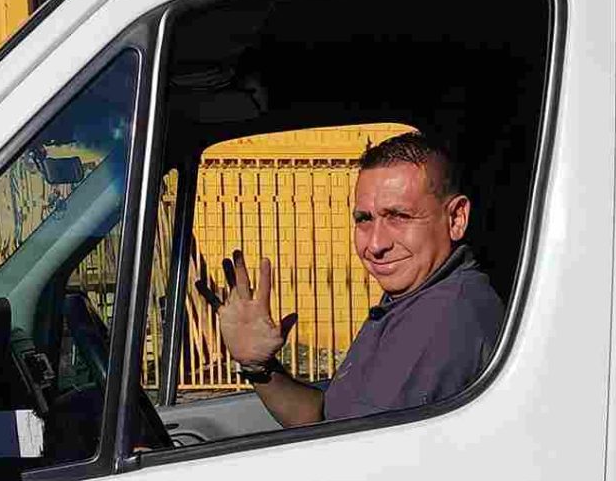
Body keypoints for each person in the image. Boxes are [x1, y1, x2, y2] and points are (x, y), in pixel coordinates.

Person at [200, 132, 504, 427]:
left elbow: (356, 459)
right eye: (364, 219)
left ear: (456, 218)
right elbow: (324, 419)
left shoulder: (445, 319)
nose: (375, 245)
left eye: (398, 216)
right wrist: (259, 367)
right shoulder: (409, 299)